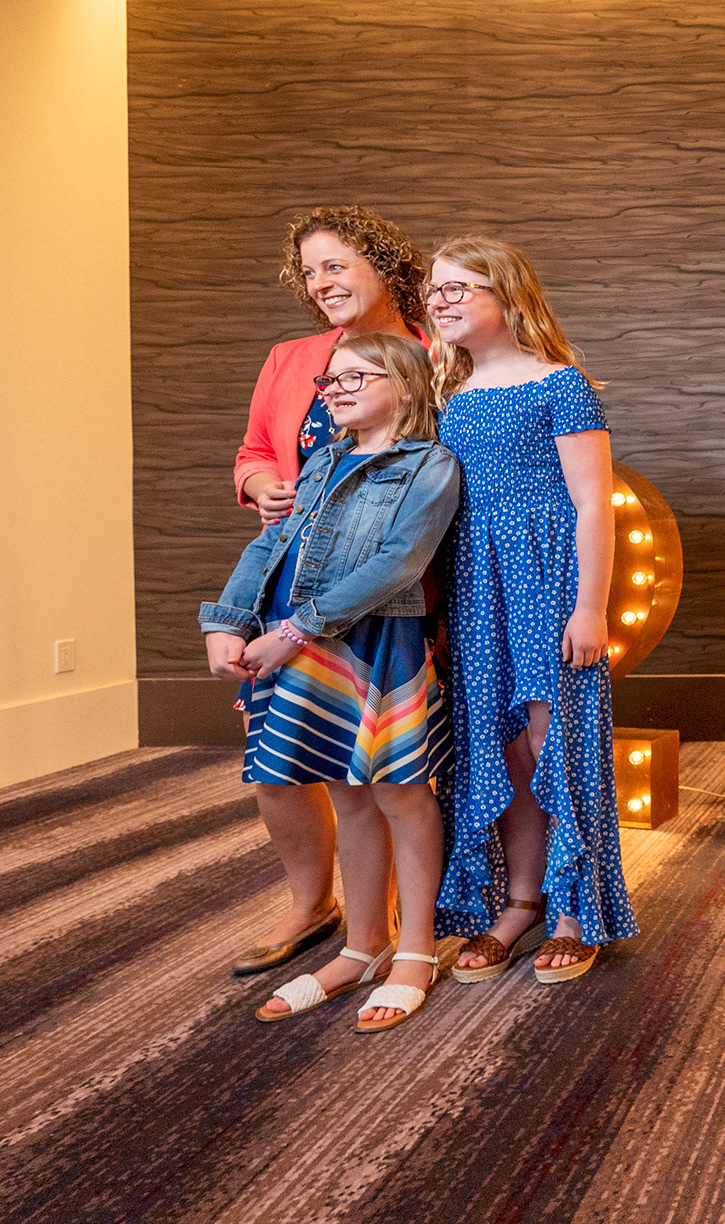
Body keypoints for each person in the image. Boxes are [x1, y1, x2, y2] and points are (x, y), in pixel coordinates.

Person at [201, 333, 460, 1030]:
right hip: (299, 642)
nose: (335, 388)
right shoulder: (320, 461)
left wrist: (293, 632)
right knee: (348, 797)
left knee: (400, 793)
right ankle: (363, 944)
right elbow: (269, 543)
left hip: (367, 642)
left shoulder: (429, 464)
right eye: (329, 380)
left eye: (355, 376)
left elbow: (398, 563)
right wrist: (225, 620)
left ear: (404, 383)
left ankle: (415, 949)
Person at [225, 207, 433, 977]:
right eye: (310, 271)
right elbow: (251, 451)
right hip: (289, 584)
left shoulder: (434, 353)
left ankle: (410, 925)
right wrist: (262, 481)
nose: (321, 283)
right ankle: (314, 905)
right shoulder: (290, 359)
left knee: (387, 773)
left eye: (337, 265)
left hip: (395, 593)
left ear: (383, 265)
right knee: (279, 764)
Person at [429, 235, 635, 984]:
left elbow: (591, 504)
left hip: (545, 575)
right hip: (476, 582)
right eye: (433, 291)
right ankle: (519, 901)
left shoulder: (561, 384)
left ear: (509, 295)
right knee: (500, 747)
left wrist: (591, 606)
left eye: (457, 288)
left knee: (557, 742)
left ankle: (575, 907)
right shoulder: (449, 397)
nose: (439, 301)